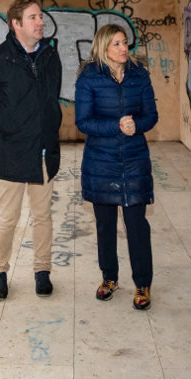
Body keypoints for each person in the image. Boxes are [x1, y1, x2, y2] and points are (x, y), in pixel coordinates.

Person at [0, 0, 62, 299]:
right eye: (34, 17)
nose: (41, 22)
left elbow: (51, 100)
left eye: (41, 17)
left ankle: (42, 270)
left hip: (44, 152)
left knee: (42, 216)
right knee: (8, 217)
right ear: (16, 24)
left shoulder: (51, 57)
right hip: (10, 151)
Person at [75, 24, 158, 310]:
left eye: (125, 43)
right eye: (117, 44)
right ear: (103, 47)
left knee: (137, 225)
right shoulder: (89, 78)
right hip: (101, 162)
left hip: (135, 159)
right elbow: (83, 122)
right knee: (105, 226)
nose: (124, 49)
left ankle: (143, 284)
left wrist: (137, 126)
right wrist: (116, 126)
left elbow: (151, 115)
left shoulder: (140, 76)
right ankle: (109, 278)